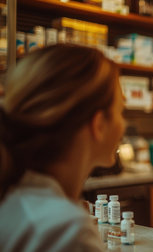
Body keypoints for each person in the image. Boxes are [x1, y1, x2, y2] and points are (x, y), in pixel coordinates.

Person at [0, 44, 125, 251]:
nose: (124, 124)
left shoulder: (15, 195)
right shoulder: (66, 231)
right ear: (99, 125)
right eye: (121, 110)